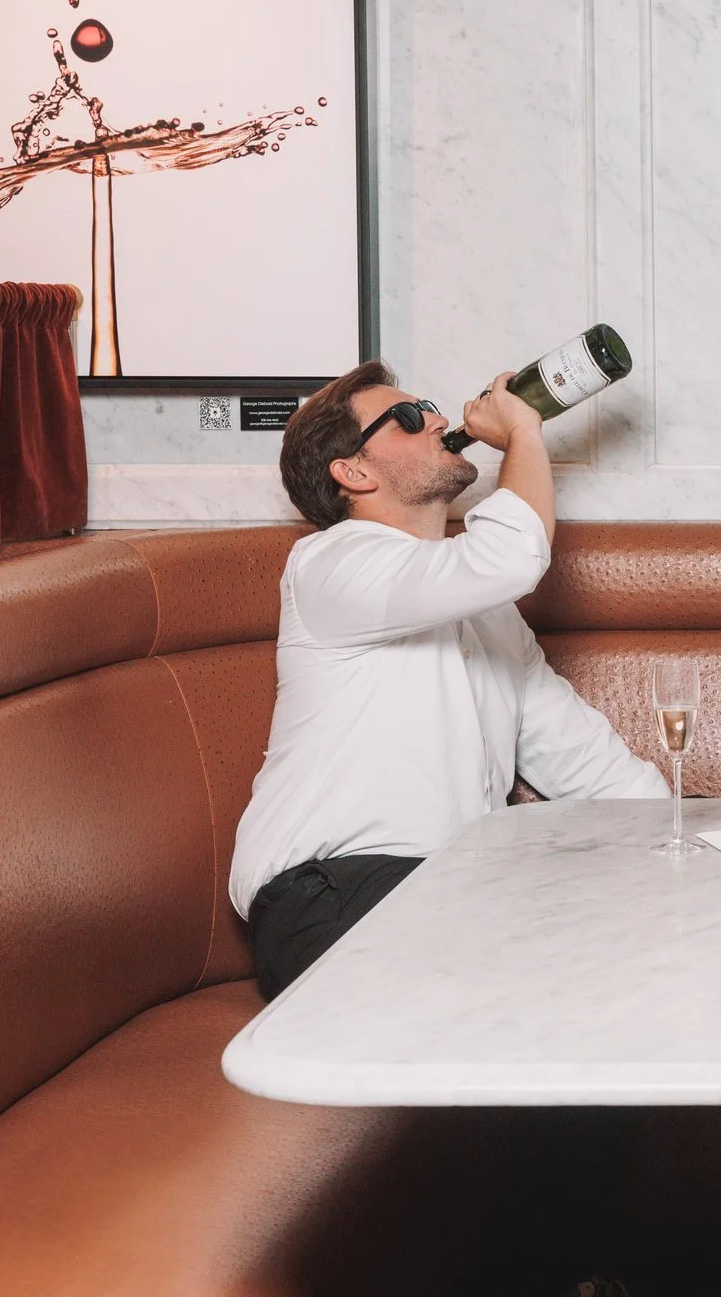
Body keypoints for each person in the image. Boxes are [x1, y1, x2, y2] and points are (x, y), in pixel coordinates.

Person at [231, 359, 666, 1000]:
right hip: (334, 892)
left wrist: (695, 851)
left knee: (642, 975)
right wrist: (523, 433)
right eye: (408, 417)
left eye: (428, 405)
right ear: (353, 471)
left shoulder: (489, 612)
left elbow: (589, 768)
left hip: (456, 888)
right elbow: (510, 557)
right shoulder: (328, 565)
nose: (436, 419)